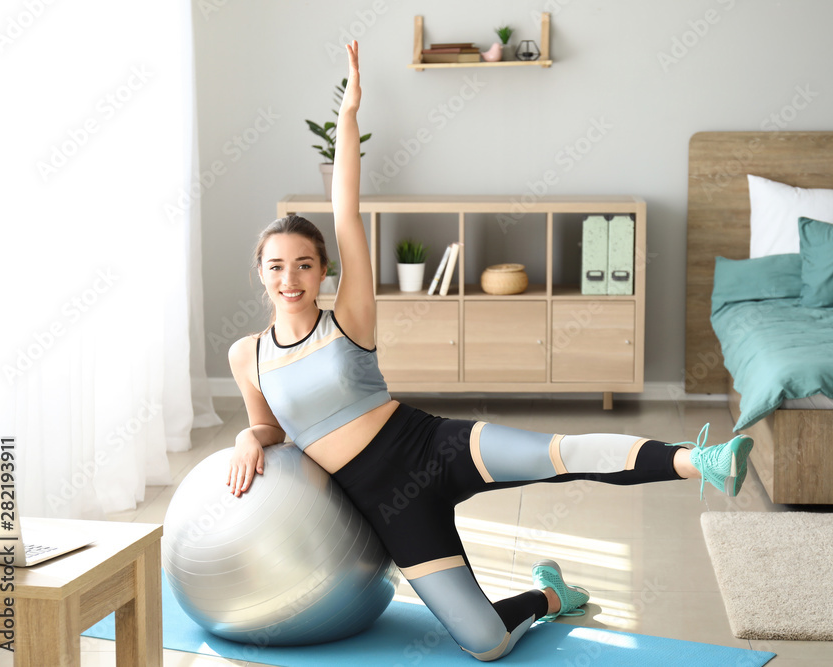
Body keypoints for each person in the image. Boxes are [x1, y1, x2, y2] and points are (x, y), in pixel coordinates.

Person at [225, 40, 753, 662]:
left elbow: (346, 213)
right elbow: (269, 426)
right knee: (485, 643)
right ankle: (551, 598)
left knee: (561, 454)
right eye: (278, 266)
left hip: (428, 445)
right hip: (384, 504)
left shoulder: (350, 319)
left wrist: (348, 117)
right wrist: (245, 439)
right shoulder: (248, 355)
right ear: (260, 272)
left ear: (322, 272)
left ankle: (702, 461)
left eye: (305, 265)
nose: (291, 278)